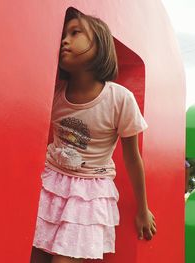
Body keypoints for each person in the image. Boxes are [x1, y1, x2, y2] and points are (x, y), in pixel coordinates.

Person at [30, 8, 156, 263]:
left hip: (89, 193)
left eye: (75, 33)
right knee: (34, 256)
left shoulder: (119, 99)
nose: (65, 39)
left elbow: (133, 158)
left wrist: (143, 209)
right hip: (51, 183)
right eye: (63, 34)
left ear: (99, 46)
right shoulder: (54, 91)